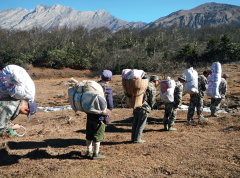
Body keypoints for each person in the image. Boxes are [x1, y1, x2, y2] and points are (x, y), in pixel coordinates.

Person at [85, 70, 113, 160]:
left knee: (89, 134)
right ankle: (95, 154)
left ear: (101, 77)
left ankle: (88, 151)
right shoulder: (107, 89)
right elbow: (110, 104)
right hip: (100, 116)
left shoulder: (92, 87)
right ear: (111, 79)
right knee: (98, 134)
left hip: (89, 114)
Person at [131, 75, 158, 143]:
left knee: (135, 123)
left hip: (136, 105)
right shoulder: (151, 87)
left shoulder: (142, 84)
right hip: (144, 107)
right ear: (155, 81)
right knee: (141, 124)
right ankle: (137, 139)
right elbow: (152, 99)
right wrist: (151, 106)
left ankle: (133, 138)